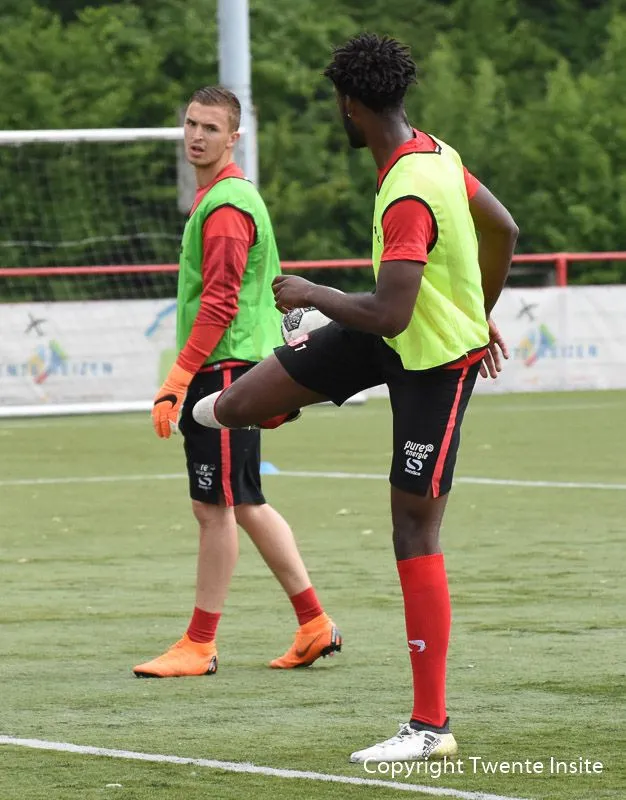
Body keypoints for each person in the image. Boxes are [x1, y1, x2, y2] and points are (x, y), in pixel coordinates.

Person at [193, 37, 519, 760]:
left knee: (413, 527)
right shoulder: (437, 152)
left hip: (431, 364)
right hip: (389, 334)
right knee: (226, 407)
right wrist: (475, 301)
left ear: (350, 105)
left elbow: (392, 315)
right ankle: (298, 397)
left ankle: (429, 727)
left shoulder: (408, 188)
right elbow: (503, 228)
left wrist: (312, 294)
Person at [133, 86, 342, 679]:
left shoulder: (225, 207)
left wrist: (177, 379)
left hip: (222, 371)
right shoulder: (226, 198)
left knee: (214, 507)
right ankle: (314, 624)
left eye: (210, 128)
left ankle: (200, 645)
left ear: (234, 138)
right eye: (191, 124)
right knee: (244, 500)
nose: (196, 135)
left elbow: (221, 304)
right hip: (236, 365)